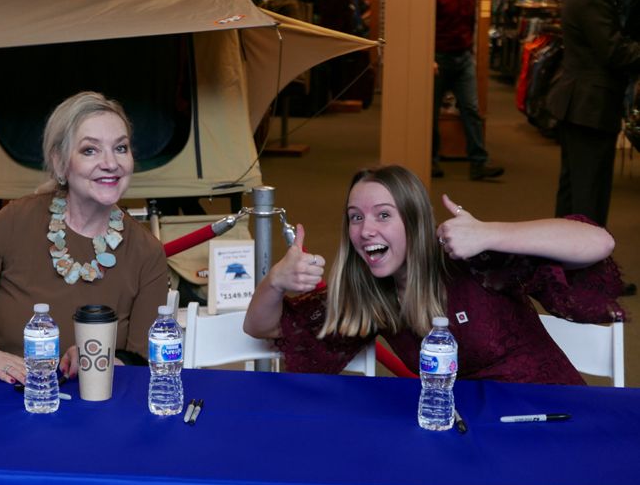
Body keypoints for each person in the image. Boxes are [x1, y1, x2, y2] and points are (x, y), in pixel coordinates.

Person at [243, 165, 624, 385]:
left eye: (383, 215)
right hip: (469, 435)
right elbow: (262, 327)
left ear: (415, 222)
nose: (366, 229)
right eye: (356, 217)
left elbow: (598, 243)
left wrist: (492, 232)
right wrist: (275, 280)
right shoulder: (375, 296)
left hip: (550, 419)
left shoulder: (471, 260)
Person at [0, 91, 168, 384]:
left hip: (95, 407)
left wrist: (101, 360)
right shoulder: (15, 220)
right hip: (2, 397)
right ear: (59, 163)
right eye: (90, 150)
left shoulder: (148, 252)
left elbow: (143, 362)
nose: (111, 163)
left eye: (121, 148)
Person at [549, 0, 640, 228]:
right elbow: (614, 52)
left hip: (582, 103)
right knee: (590, 192)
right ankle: (585, 265)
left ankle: (564, 259)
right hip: (590, 105)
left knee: (575, 188)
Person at [432, 0, 505, 181]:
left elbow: (472, 22)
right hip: (439, 59)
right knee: (431, 113)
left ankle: (478, 164)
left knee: (472, 110)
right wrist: (428, 58)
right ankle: (431, 161)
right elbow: (427, 24)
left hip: (463, 59)